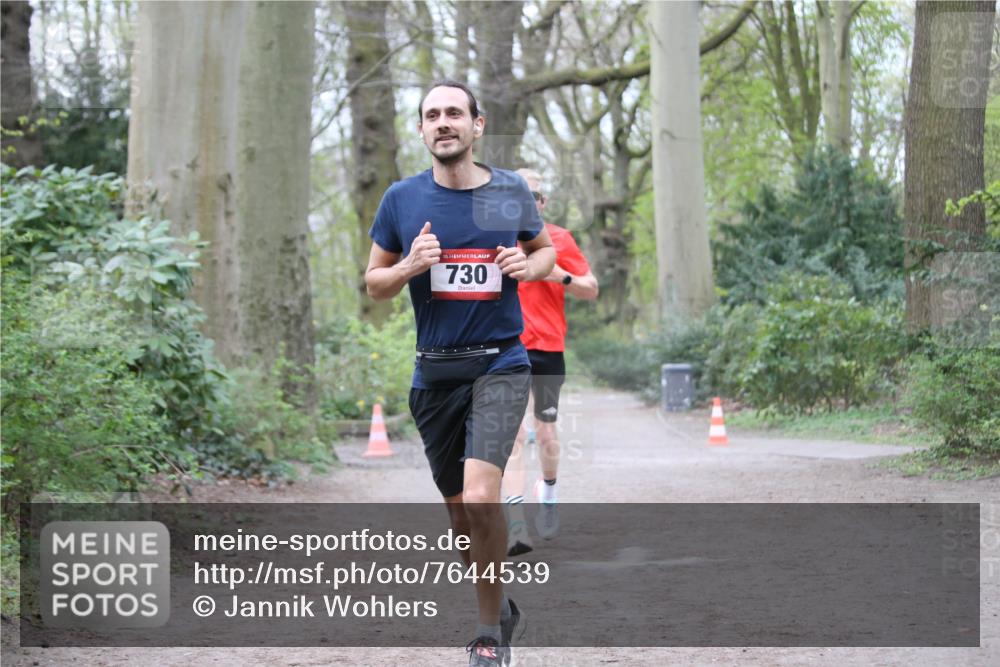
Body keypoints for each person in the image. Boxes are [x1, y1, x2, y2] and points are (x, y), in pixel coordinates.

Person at [364, 80, 555, 667]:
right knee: (461, 521)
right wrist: (407, 270)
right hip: (435, 376)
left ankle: (487, 635)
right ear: (422, 131)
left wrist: (527, 264)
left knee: (480, 497)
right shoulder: (403, 200)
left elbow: (544, 251)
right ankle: (503, 606)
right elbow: (373, 284)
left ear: (476, 125)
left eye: (454, 113)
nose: (443, 122)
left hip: (500, 362)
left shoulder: (506, 191)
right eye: (431, 116)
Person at [502, 168, 599, 556]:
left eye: (536, 197)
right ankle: (515, 526)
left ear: (543, 203)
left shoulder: (559, 239)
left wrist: (563, 278)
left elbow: (591, 289)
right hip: (506, 348)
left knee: (545, 434)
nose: (530, 202)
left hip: (547, 349)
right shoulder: (497, 240)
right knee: (509, 436)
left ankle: (550, 492)